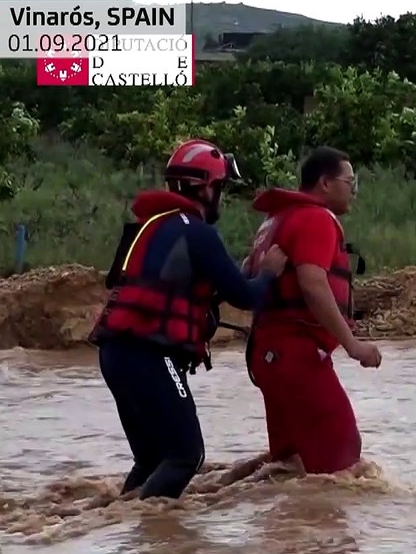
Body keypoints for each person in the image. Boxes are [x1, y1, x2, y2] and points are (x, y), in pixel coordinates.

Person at [90, 139, 288, 500]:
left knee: (151, 459)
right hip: (149, 355)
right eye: (221, 188)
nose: (221, 198)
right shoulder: (198, 232)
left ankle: (125, 529)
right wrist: (270, 273)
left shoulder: (148, 226)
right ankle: (153, 528)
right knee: (186, 455)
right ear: (206, 188)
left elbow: (169, 285)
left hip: (115, 353)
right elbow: (246, 297)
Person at [242, 146, 382, 476]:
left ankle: (291, 526)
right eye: (350, 182)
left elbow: (248, 271)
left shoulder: (276, 219)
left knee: (290, 467)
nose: (354, 192)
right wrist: (353, 345)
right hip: (297, 355)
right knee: (344, 462)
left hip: (267, 356)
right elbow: (313, 283)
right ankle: (327, 530)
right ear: (325, 183)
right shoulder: (315, 218)